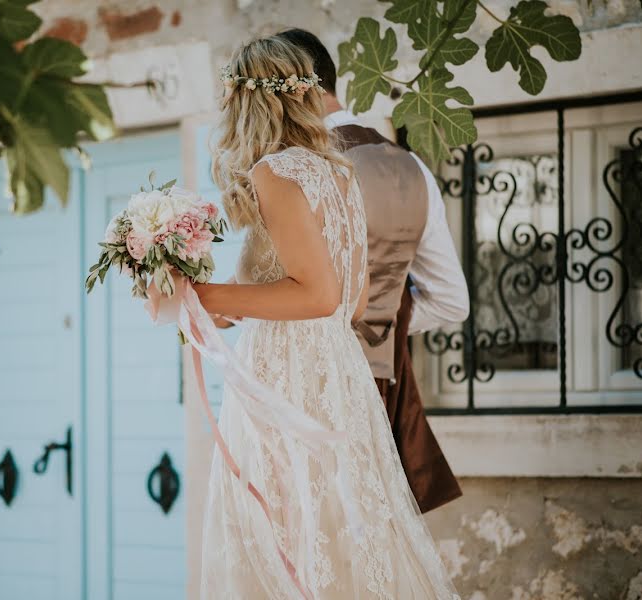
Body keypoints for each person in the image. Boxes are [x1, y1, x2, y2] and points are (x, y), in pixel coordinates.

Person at [194, 34, 459, 599]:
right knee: (346, 537)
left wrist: (209, 297)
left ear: (247, 102)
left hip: (284, 383)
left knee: (282, 539)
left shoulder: (273, 173)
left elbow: (317, 295)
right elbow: (354, 301)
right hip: (340, 376)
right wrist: (211, 306)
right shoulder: (337, 171)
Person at [277, 28, 469, 514]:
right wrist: (385, 320)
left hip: (304, 392)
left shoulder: (291, 173)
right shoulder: (412, 169)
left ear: (297, 89)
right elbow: (452, 301)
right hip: (381, 390)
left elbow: (279, 292)